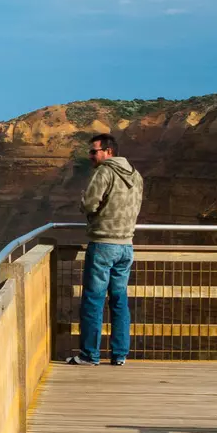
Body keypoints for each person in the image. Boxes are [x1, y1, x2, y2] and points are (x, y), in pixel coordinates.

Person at [67, 133, 142, 366]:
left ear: (108, 152)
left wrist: (86, 207)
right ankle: (120, 355)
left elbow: (90, 203)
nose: (90, 156)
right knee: (119, 300)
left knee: (94, 299)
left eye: (94, 151)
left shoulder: (104, 172)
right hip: (126, 245)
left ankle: (90, 354)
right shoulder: (136, 175)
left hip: (103, 244)